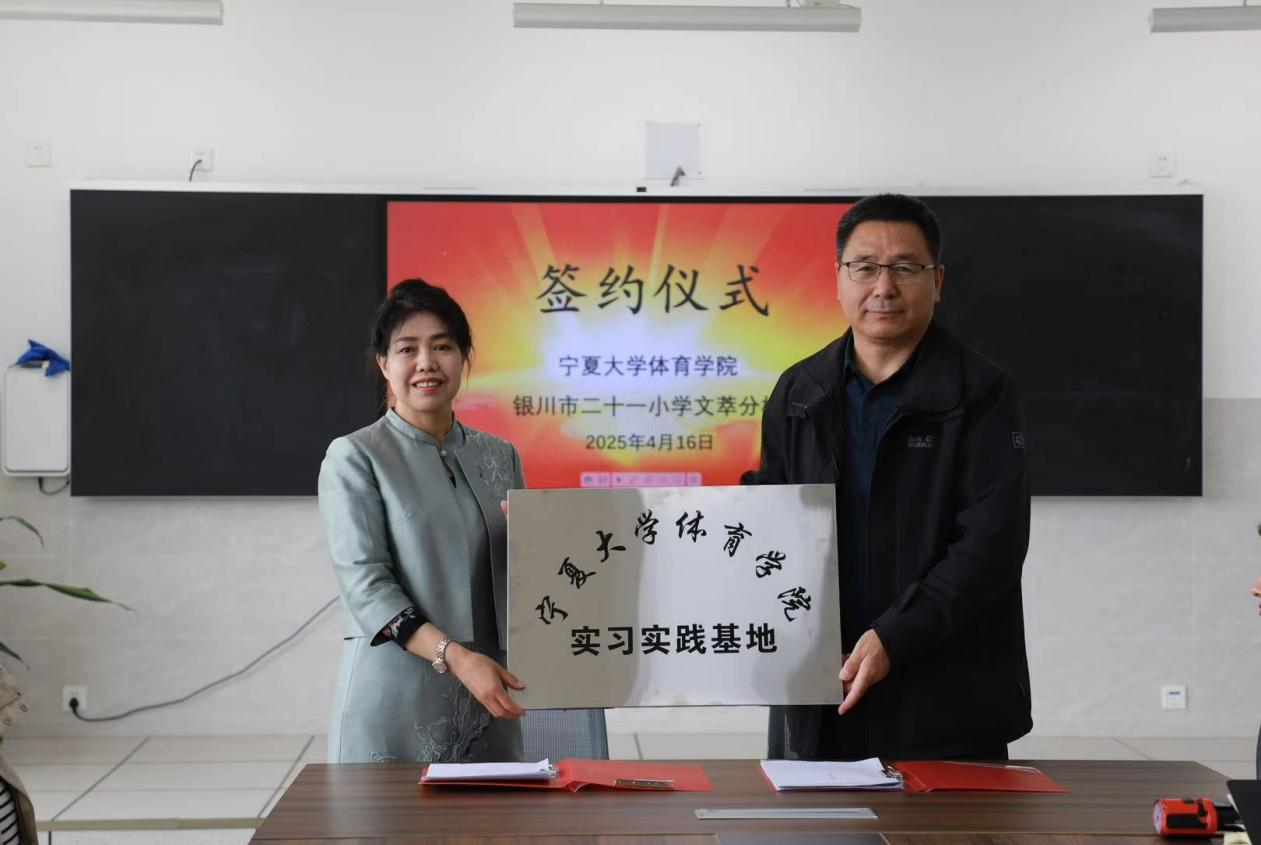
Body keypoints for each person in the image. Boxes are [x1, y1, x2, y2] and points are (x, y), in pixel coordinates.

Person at [745, 193, 1032, 762]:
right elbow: (768, 520)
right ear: (838, 278)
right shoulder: (798, 391)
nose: (883, 287)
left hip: (947, 693)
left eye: (904, 268)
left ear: (937, 280)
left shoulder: (982, 393)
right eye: (865, 267)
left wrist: (893, 638)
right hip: (820, 690)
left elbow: (990, 548)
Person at [319, 279, 527, 764]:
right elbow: (367, 587)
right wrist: (456, 657)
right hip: (395, 697)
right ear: (384, 364)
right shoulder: (355, 457)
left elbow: (524, 578)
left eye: (443, 347)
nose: (427, 363)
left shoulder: (501, 456)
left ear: (464, 357)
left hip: (490, 693)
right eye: (408, 349)